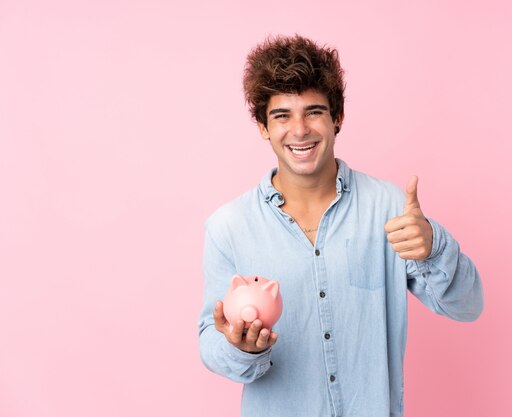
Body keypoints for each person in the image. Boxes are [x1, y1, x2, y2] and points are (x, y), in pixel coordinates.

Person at [198, 34, 483, 417]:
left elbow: (468, 306)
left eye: (313, 111)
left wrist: (433, 245)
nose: (299, 130)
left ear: (337, 118)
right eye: (282, 115)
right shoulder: (228, 226)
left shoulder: (389, 208)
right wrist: (241, 348)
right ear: (264, 127)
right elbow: (210, 347)